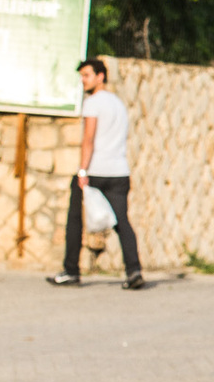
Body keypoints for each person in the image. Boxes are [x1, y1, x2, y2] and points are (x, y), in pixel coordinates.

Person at [47, 57, 144, 289]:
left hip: (96, 171)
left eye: (87, 75)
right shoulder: (118, 104)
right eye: (81, 76)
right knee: (123, 222)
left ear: (100, 76)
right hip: (120, 171)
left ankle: (71, 271)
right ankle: (134, 271)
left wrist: (82, 171)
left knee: (74, 219)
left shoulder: (93, 103)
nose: (83, 80)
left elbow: (88, 139)